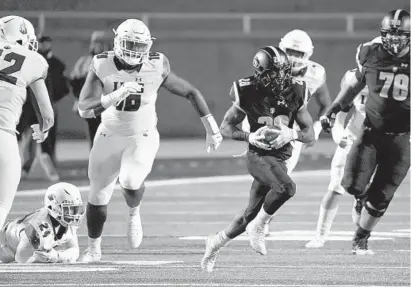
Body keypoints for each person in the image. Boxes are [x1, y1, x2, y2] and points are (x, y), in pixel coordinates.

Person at [77, 19, 222, 262]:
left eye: (139, 45)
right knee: (97, 195)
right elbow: (83, 109)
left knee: (130, 181)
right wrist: (116, 94)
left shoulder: (157, 64)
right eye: (130, 44)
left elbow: (190, 92)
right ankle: (93, 249)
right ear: (118, 43)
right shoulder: (102, 63)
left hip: (141, 135)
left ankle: (134, 213)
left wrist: (211, 127)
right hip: (109, 134)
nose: (135, 50)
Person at [201, 46, 314, 272]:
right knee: (287, 188)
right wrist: (249, 136)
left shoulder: (296, 89)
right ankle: (260, 227)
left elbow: (309, 133)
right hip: (257, 154)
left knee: (249, 214)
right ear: (260, 72)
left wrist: (291, 134)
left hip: (281, 157)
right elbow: (225, 127)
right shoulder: (247, 90)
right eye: (273, 72)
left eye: (283, 71)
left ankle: (215, 243)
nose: (280, 78)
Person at [320, 9, 410, 255]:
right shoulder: (370, 52)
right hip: (371, 131)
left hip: (403, 138)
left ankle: (361, 238)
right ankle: (362, 199)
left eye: (400, 35)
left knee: (381, 198)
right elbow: (353, 86)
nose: (394, 40)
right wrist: (332, 110)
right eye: (389, 34)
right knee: (350, 184)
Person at [245, 30, 331, 235]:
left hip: (291, 131)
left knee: (278, 178)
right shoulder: (270, 63)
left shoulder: (316, 73)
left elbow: (326, 104)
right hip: (265, 124)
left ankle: (259, 221)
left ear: (308, 55)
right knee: (268, 175)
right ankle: (257, 221)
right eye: (290, 51)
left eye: (298, 53)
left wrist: (315, 129)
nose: (293, 57)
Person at [0, 16, 54, 230]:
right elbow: (47, 113)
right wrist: (44, 129)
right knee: (2, 201)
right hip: (3, 135)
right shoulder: (33, 60)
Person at [305, 69, 369, 248]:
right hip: (354, 136)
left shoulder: (398, 77)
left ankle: (361, 238)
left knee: (371, 194)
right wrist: (340, 137)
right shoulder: (354, 78)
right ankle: (320, 235)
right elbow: (339, 116)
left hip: (382, 140)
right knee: (335, 187)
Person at [0, 182, 84, 263]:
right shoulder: (39, 226)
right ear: (53, 206)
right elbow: (21, 258)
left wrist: (57, 256)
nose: (73, 214)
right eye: (68, 209)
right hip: (5, 246)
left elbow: (74, 251)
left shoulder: (65, 221)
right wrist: (49, 258)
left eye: (75, 208)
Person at [70, 31, 107, 148]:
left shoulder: (112, 61)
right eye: (96, 42)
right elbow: (74, 82)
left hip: (106, 103)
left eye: (101, 43)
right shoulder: (84, 61)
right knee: (93, 131)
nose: (98, 46)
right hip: (91, 103)